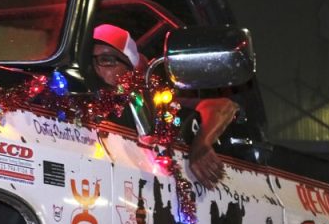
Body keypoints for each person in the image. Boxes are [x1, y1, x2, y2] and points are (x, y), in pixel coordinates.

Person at [90, 23, 240, 185]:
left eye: (106, 60)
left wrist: (202, 143)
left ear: (131, 70)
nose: (96, 67)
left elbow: (223, 107)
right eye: (90, 59)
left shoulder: (153, 108)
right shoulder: (77, 103)